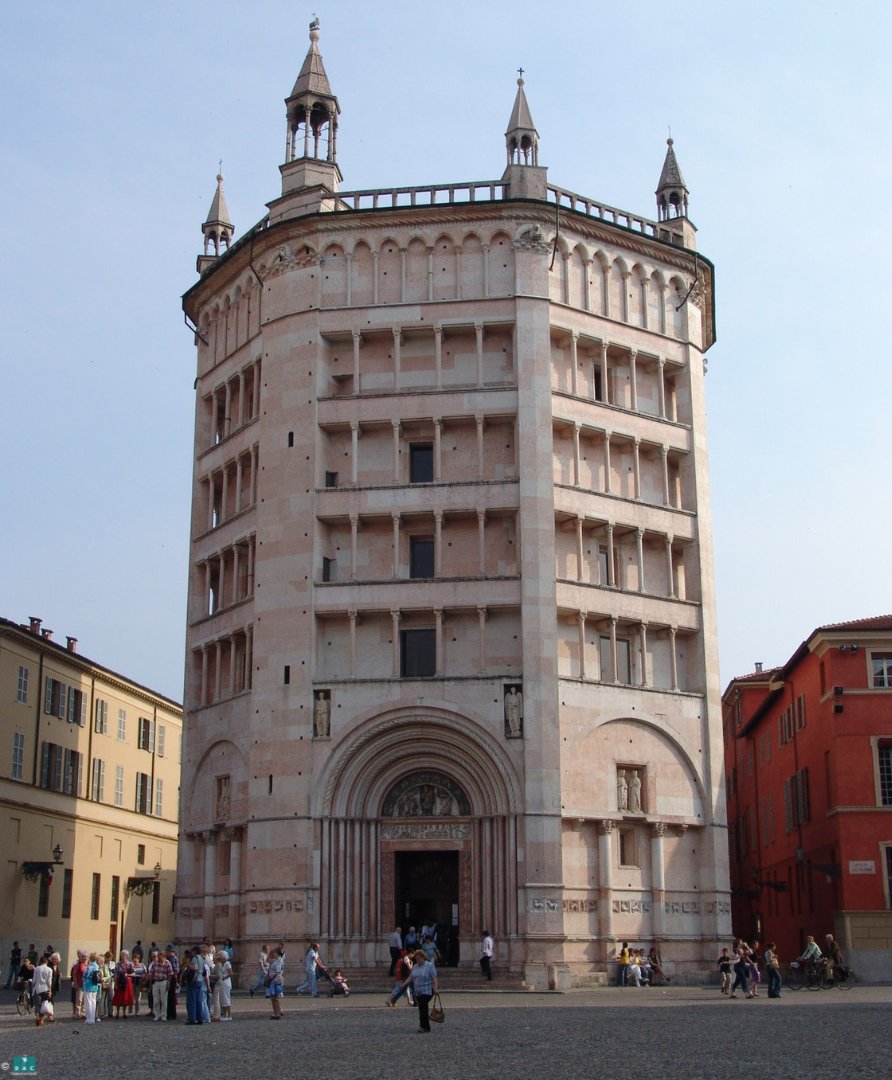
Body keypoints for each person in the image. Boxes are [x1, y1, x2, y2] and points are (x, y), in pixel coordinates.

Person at [393, 949, 439, 1033]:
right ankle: (426, 1026)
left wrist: (435, 989)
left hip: (427, 991)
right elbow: (411, 977)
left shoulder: (429, 966)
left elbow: (434, 978)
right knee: (422, 1008)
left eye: (418, 958)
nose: (417, 960)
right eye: (416, 958)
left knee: (422, 1006)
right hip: (418, 991)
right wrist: (403, 985)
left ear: (423, 957)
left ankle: (423, 1026)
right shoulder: (415, 967)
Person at [148, 947, 173, 1021]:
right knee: (156, 1000)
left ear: (163, 956)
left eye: (159, 956)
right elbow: (151, 974)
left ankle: (163, 1015)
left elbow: (170, 974)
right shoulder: (155, 963)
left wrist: (168, 983)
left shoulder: (167, 963)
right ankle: (157, 1014)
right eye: (157, 956)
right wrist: (150, 984)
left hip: (163, 981)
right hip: (156, 982)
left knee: (164, 1000)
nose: (158, 958)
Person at [31, 954, 54, 1027]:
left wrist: (33, 986)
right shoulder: (49, 970)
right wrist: (50, 991)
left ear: (40, 961)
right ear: (46, 962)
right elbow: (49, 982)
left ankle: (37, 1016)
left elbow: (34, 980)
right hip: (45, 989)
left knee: (37, 1004)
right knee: (44, 1005)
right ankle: (41, 1020)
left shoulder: (37, 968)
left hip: (37, 989)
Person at [112, 950, 134, 1019]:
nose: (122, 956)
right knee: (118, 997)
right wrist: (115, 983)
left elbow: (134, 973)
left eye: (123, 955)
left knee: (125, 998)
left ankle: (124, 1013)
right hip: (119, 981)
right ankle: (117, 1013)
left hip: (127, 982)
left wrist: (128, 974)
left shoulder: (130, 964)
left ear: (127, 956)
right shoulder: (118, 964)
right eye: (121, 955)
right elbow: (115, 974)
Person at [266, 947, 285, 1019]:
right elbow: (267, 961)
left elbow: (278, 972)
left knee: (275, 997)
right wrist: (269, 953)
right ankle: (276, 1013)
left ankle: (277, 1014)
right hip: (274, 980)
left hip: (275, 981)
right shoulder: (275, 960)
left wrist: (274, 980)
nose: (273, 954)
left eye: (274, 952)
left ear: (277, 953)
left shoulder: (278, 961)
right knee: (273, 997)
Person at [83, 952, 101, 1024]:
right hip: (95, 985)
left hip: (88, 985)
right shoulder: (97, 966)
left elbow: (85, 975)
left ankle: (89, 1018)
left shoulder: (89, 966)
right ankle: (92, 1018)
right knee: (93, 1002)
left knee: (88, 1002)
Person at [70, 950, 87, 1019]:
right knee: (79, 1000)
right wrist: (76, 984)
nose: (84, 958)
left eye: (85, 957)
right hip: (79, 984)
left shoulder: (87, 965)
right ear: (80, 957)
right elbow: (74, 974)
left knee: (84, 1000)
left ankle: (83, 1013)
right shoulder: (77, 965)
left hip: (85, 985)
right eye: (83, 957)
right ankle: (78, 1013)